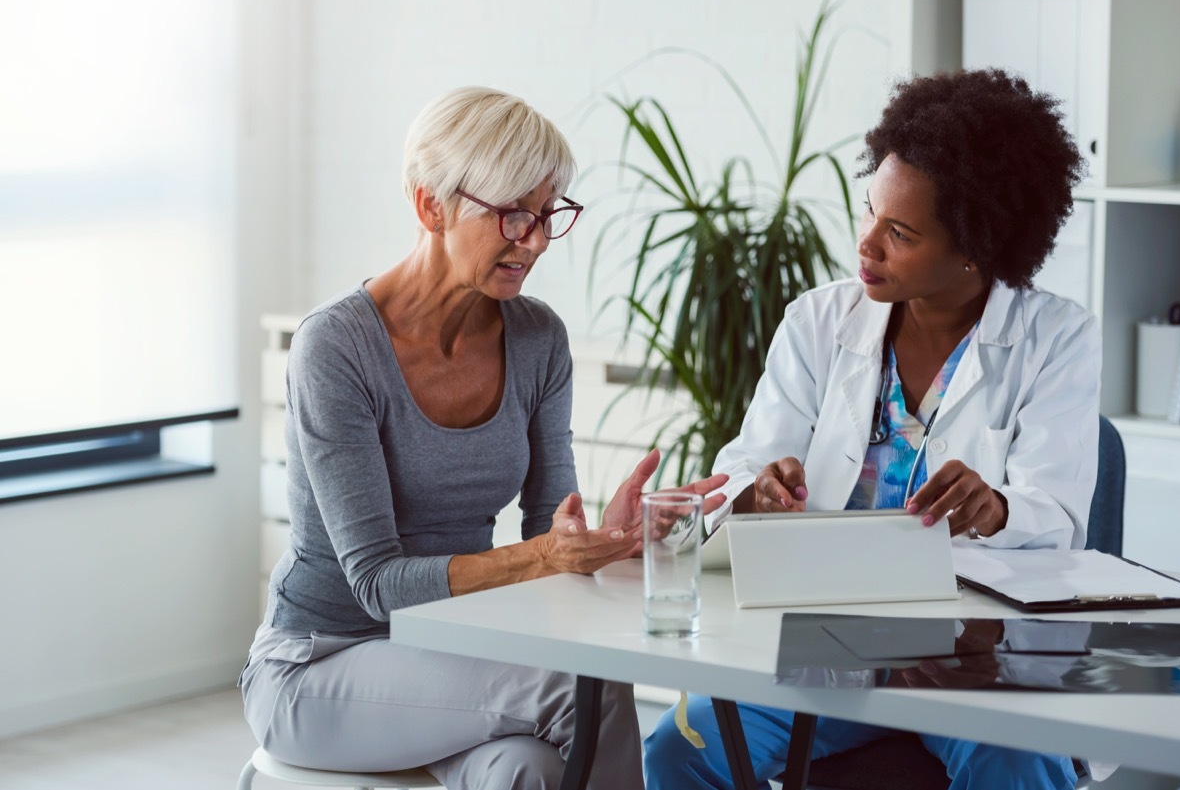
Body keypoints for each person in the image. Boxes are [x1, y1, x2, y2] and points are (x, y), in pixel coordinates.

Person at [238, 86, 727, 790]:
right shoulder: (337, 348)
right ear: (430, 205)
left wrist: (606, 543)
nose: (533, 240)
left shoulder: (536, 339)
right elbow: (377, 585)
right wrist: (546, 554)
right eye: (512, 215)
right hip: (318, 664)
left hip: (452, 655)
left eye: (546, 214)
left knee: (524, 770)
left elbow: (549, 536)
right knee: (581, 686)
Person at [643, 68, 1096, 790]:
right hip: (827, 634)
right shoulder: (819, 323)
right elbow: (740, 468)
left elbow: (1057, 512)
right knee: (680, 750)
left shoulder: (1056, 338)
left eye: (900, 232)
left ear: (975, 246)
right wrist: (755, 493)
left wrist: (997, 507)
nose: (867, 245)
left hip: (969, 649)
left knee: (1018, 763)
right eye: (869, 213)